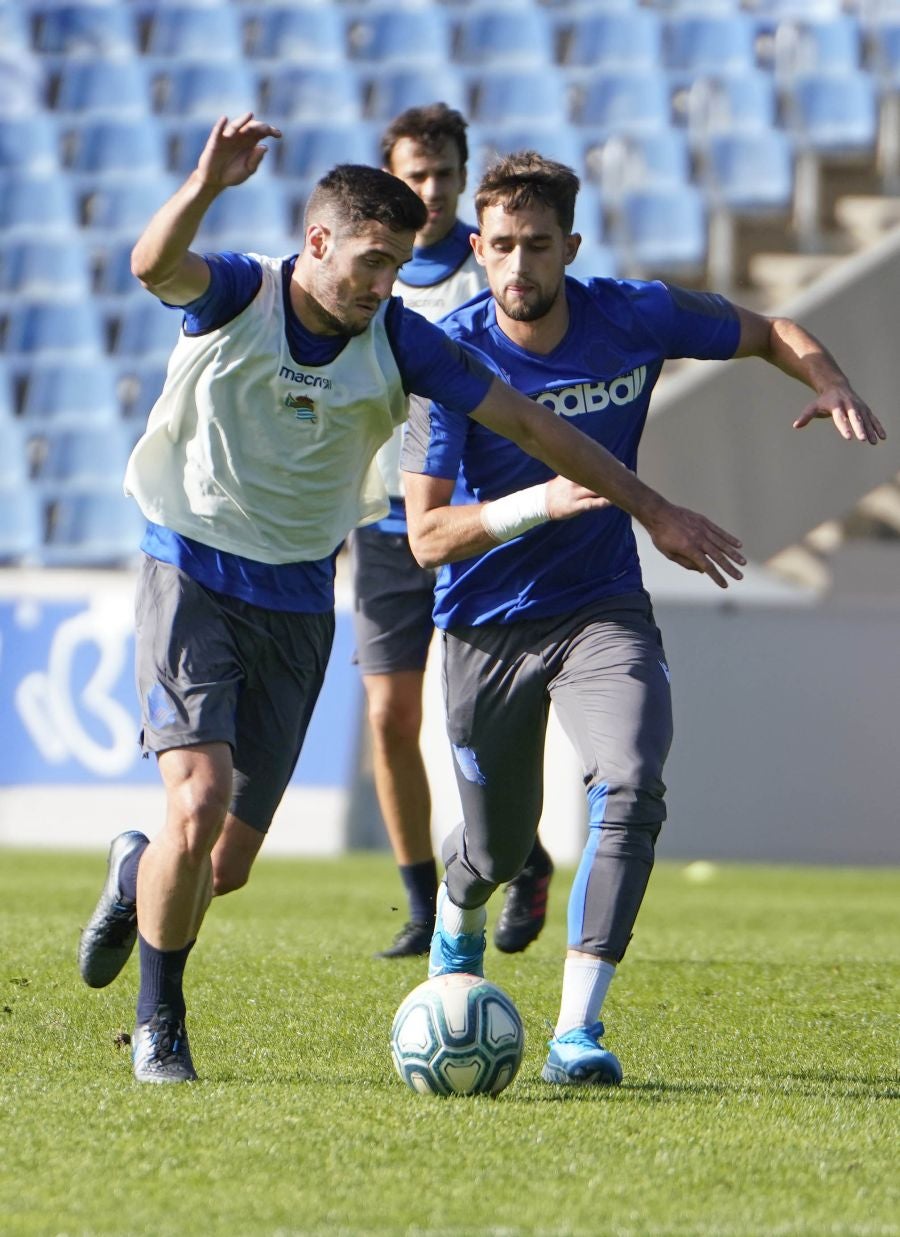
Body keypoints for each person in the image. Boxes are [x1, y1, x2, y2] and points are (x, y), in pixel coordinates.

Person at [76, 114, 749, 1086]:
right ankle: (160, 1024)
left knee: (218, 864)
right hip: (189, 567)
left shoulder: (397, 338)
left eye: (395, 266)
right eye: (368, 262)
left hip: (303, 593)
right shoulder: (238, 292)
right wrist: (205, 182)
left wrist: (652, 508)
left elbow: (525, 420)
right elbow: (151, 264)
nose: (381, 283)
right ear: (318, 243)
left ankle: (133, 873)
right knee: (201, 796)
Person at [400, 151, 885, 1088]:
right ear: (477, 245)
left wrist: (828, 381)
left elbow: (769, 329)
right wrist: (542, 502)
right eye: (500, 246)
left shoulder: (633, 315)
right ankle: (458, 917)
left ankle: (575, 1034)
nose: (518, 267)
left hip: (599, 606)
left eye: (538, 247)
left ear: (570, 248)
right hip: (485, 624)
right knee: (497, 847)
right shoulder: (450, 357)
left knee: (630, 779)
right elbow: (426, 538)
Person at [352, 102, 553, 959]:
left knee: (484, 721)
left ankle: (522, 856)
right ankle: (419, 899)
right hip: (384, 524)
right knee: (391, 714)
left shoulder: (493, 272)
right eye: (413, 175)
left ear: (464, 179)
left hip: (478, 525)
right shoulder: (365, 274)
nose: (429, 191)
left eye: (442, 176)